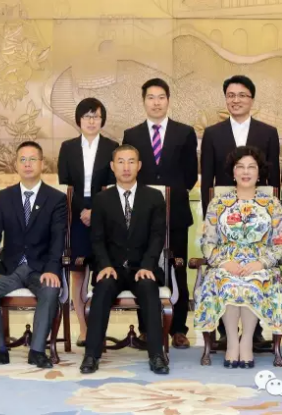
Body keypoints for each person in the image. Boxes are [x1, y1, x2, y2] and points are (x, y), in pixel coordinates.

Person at [200, 74, 281, 345]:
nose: (236, 100)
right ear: (226, 99)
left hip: (257, 218)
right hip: (225, 217)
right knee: (225, 269)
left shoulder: (268, 132)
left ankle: (253, 332)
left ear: (252, 100)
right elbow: (207, 180)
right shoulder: (212, 133)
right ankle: (226, 333)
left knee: (255, 271)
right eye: (231, 95)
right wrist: (208, 219)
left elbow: (274, 181)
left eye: (242, 95)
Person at [0, 141, 67, 369]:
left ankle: (37, 351)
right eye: (23, 160)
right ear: (16, 164)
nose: (27, 164)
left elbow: (58, 238)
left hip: (40, 269)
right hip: (10, 268)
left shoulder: (56, 198)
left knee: (50, 289)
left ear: (42, 164)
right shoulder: (4, 197)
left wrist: (52, 269)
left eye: (32, 159)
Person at [194, 146, 282, 368]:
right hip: (226, 261)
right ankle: (232, 342)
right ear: (233, 172)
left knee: (252, 281)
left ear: (259, 173)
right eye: (240, 167)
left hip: (260, 263)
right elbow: (207, 242)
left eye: (251, 167)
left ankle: (246, 342)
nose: (246, 172)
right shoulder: (218, 203)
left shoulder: (272, 204)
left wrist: (261, 263)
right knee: (226, 281)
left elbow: (280, 243)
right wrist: (223, 262)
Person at [80, 144, 169, 375]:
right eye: (121, 162)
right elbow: (97, 239)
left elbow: (157, 236)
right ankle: (91, 355)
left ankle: (157, 355)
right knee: (102, 290)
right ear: (113, 166)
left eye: (131, 162)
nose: (126, 167)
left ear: (139, 166)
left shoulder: (154, 197)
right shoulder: (102, 199)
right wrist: (105, 265)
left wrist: (148, 265)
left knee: (149, 289)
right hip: (113, 268)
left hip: (142, 267)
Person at [123, 78, 198, 349]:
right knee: (144, 268)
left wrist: (171, 193)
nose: (156, 102)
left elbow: (190, 174)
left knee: (177, 268)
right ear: (143, 101)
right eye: (151, 97)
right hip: (142, 215)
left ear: (168, 100)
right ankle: (147, 328)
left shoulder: (184, 132)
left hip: (175, 213)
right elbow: (128, 173)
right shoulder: (132, 135)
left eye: (161, 97)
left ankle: (178, 328)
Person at [58, 98, 118, 346]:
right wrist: (82, 210)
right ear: (79, 120)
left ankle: (98, 327)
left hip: (104, 216)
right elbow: (66, 186)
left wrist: (95, 210)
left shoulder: (112, 147)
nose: (91, 121)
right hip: (76, 216)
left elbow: (114, 185)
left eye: (96, 116)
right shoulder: (68, 147)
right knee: (78, 273)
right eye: (87, 116)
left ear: (102, 120)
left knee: (104, 272)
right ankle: (83, 328)